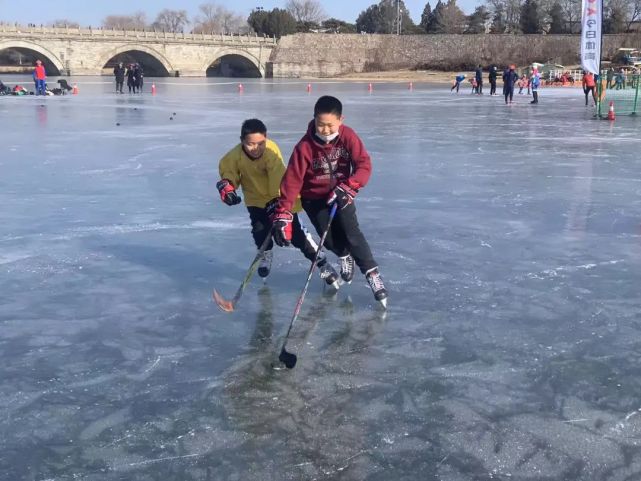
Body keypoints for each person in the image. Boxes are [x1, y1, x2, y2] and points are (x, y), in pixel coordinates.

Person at [272, 96, 388, 307]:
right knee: (330, 240)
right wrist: (283, 213)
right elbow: (291, 181)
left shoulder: (348, 136)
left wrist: (350, 185)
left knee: (352, 234)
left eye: (329, 125)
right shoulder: (304, 147)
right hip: (314, 199)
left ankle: (372, 274)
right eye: (320, 124)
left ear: (340, 120)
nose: (325, 130)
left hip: (341, 194)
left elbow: (364, 165)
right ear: (314, 120)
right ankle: (343, 255)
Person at [216, 118, 340, 287]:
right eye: (250, 144)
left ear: (266, 139)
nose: (255, 149)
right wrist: (228, 187)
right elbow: (228, 173)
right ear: (242, 141)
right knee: (260, 232)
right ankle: (266, 254)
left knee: (298, 236)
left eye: (260, 143)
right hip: (256, 201)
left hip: (279, 200)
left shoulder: (270, 152)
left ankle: (321, 262)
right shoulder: (235, 156)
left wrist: (279, 206)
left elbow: (278, 177)